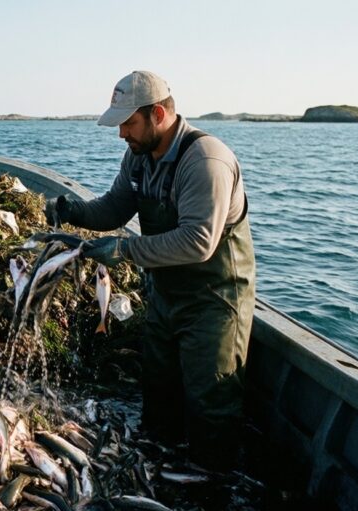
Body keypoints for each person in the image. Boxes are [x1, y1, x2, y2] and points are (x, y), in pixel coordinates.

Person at [46, 70, 256, 470]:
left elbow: (198, 241)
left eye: (128, 122)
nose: (122, 133)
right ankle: (160, 475)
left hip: (214, 301)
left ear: (158, 114)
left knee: (210, 404)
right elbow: (114, 208)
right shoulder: (139, 157)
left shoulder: (205, 161)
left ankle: (211, 495)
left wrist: (124, 250)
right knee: (158, 394)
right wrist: (74, 211)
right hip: (165, 296)